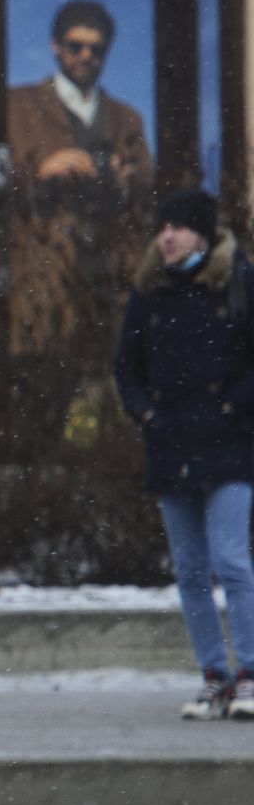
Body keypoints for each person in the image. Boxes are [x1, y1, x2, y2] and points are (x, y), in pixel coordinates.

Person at [114, 187, 254, 721]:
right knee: (191, 572)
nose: (166, 236)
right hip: (171, 449)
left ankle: (249, 675)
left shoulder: (238, 282)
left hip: (229, 450)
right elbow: (126, 369)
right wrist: (147, 415)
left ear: (202, 232)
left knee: (231, 562)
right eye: (161, 227)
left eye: (177, 226)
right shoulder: (148, 294)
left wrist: (230, 407)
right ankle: (214, 676)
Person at [4, 0, 154, 381]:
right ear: (55, 46)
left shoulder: (127, 118)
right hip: (44, 281)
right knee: (43, 400)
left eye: (97, 49)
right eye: (75, 46)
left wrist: (128, 175)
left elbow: (149, 189)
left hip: (111, 279)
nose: (86, 56)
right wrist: (39, 171)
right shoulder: (17, 105)